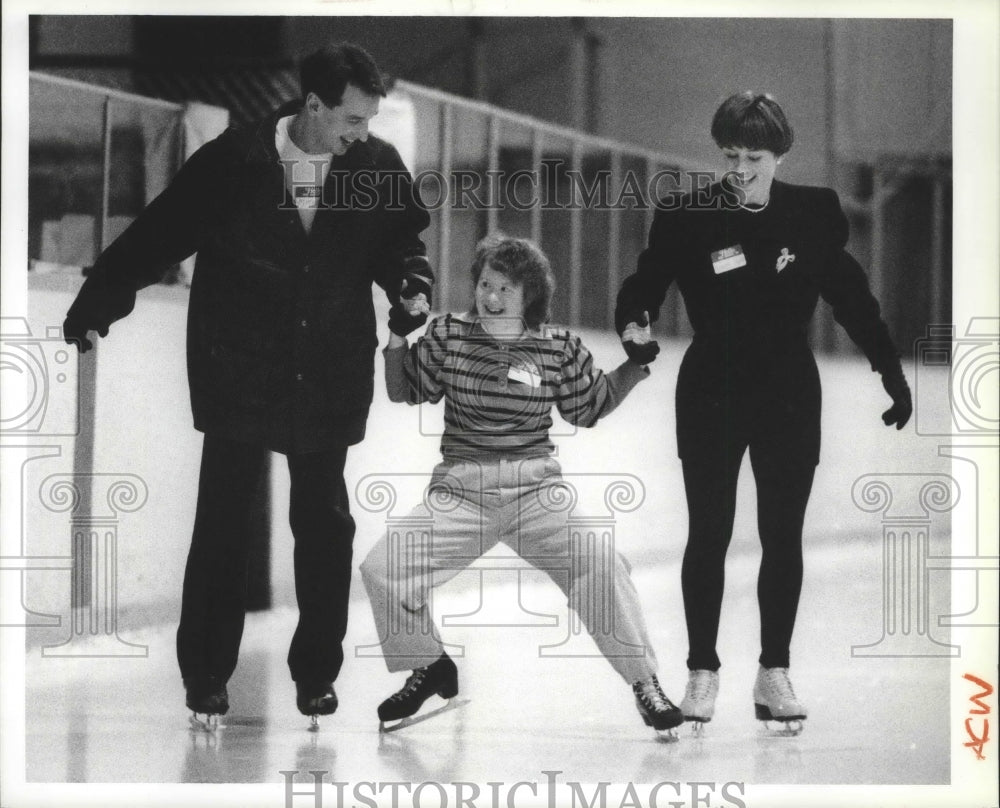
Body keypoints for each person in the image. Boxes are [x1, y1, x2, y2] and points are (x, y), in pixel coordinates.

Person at [62, 42, 433, 725]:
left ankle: (317, 673)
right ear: (313, 105)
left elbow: (401, 242)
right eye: (351, 119)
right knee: (224, 523)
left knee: (323, 525)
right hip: (241, 360)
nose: (361, 133)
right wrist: (97, 304)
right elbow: (159, 235)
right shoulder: (237, 160)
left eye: (368, 120)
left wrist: (412, 286)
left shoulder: (374, 164)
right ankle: (206, 674)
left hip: (326, 366)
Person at [615, 92, 912, 732]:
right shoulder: (686, 215)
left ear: (781, 155)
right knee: (709, 534)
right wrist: (631, 324)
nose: (741, 169)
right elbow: (644, 283)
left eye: (754, 156)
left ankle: (773, 673)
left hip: (787, 391)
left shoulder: (814, 213)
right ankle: (701, 672)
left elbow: (850, 297)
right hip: (710, 390)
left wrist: (888, 367)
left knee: (783, 538)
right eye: (729, 156)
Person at [359, 235, 684, 736]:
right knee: (383, 569)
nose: (490, 297)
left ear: (529, 294)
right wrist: (398, 337)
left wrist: (635, 362)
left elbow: (590, 405)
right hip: (461, 491)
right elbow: (405, 391)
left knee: (601, 564)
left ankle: (646, 684)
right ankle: (429, 664)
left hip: (536, 493)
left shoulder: (558, 346)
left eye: (504, 289)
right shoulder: (448, 333)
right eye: (485, 283)